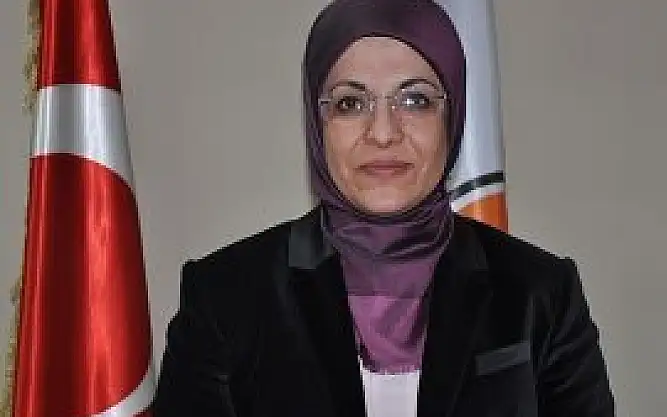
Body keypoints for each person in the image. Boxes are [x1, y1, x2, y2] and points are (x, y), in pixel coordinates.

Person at [152, 0, 615, 416]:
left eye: (414, 100)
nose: (383, 133)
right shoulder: (224, 297)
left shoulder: (541, 294)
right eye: (351, 103)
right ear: (318, 123)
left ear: (452, 117)